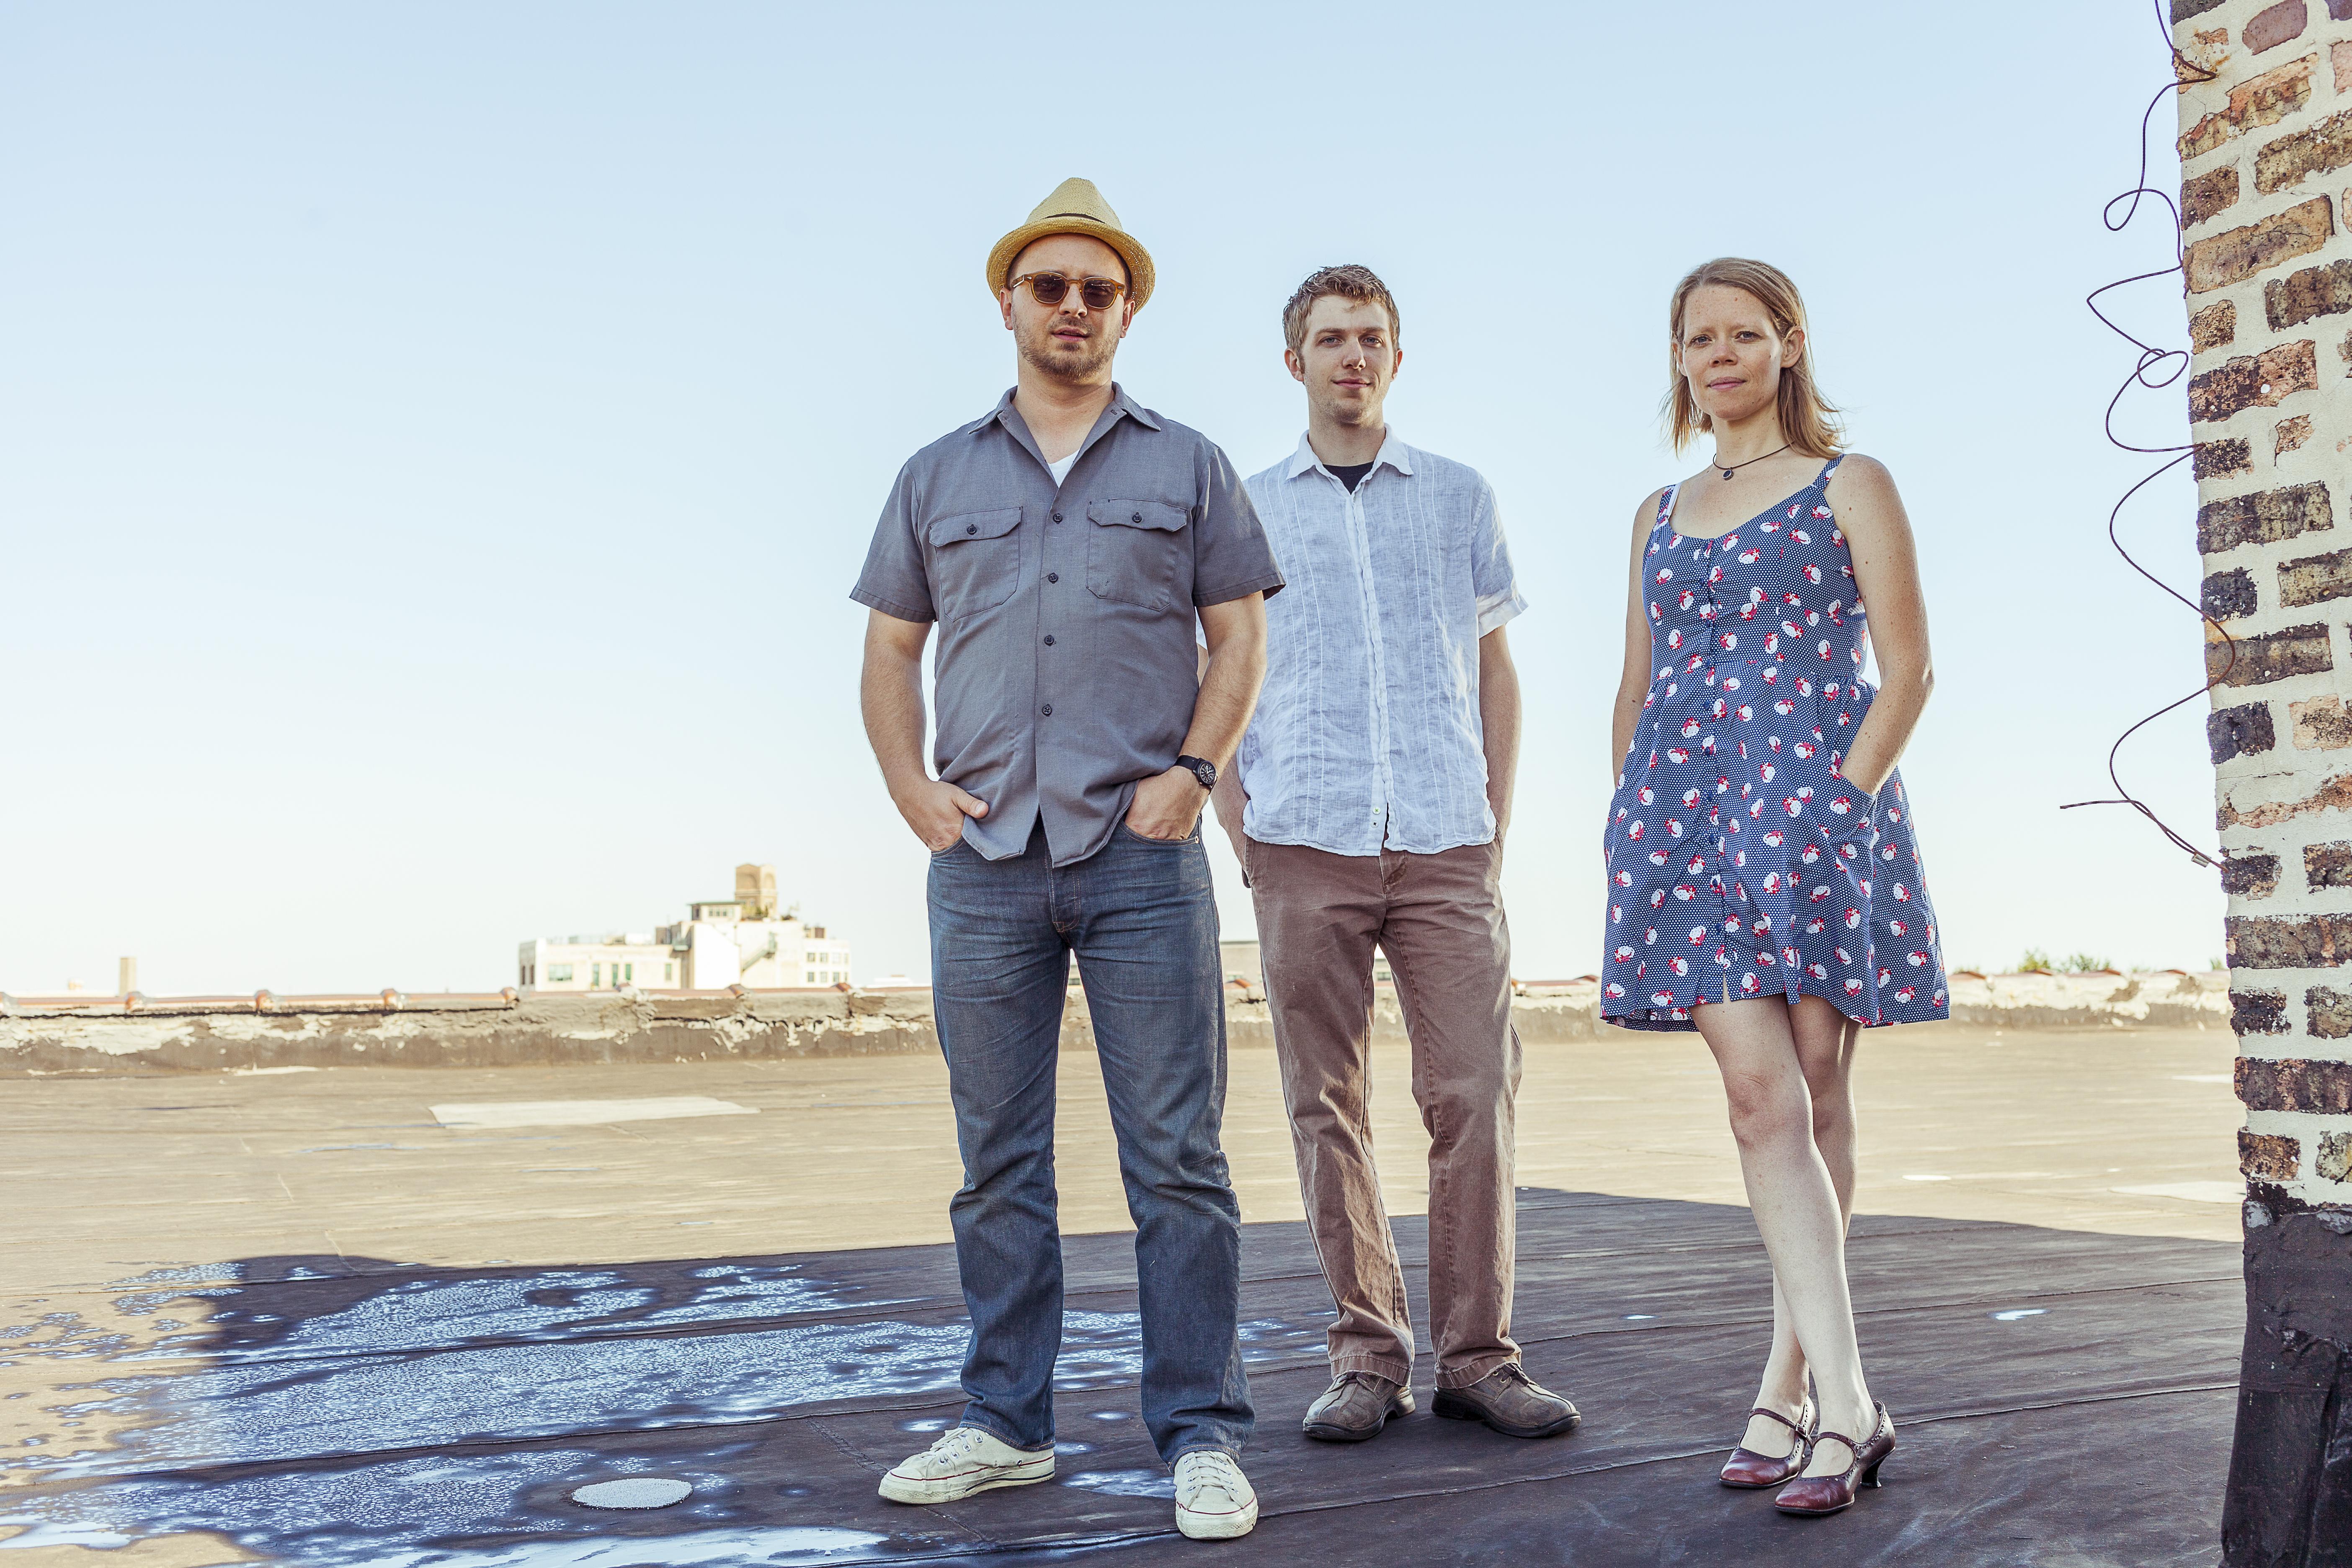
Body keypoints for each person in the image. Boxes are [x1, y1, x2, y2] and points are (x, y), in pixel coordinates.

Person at [852, 177, 1282, 1542]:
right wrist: (911, 789)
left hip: (1140, 856)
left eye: (1100, 291)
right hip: (982, 862)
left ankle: (1201, 1434)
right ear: (1009, 304)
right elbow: (887, 652)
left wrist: (1195, 775)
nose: (1075, 308)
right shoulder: (936, 475)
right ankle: (1003, 1422)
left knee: (1178, 1158)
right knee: (998, 1162)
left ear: (1128, 311)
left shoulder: (1189, 464)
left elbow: (1240, 636)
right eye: (1051, 287)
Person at [1211, 264, 1580, 1446]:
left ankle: (1481, 1357)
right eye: (1330, 340)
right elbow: (1216, 676)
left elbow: (1494, 670)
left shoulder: (1460, 498)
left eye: (1371, 338)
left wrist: (1492, 824)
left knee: (1474, 1093)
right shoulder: (1248, 508)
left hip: (1444, 842)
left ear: (1397, 358)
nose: (1352, 358)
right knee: (1327, 1105)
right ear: (1295, 362)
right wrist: (1245, 830)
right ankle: (1368, 1358)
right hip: (1303, 837)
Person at [1602, 257, 1947, 1516]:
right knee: (1758, 1102)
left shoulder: (1853, 482)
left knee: (1814, 1089)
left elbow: (1907, 671)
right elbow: (1636, 686)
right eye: (1699, 340)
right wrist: (1625, 817)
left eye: (1745, 335)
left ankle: (1791, 1387)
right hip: (1685, 821)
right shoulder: (1655, 510)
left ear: (1790, 345)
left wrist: (1836, 807)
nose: (1721, 356)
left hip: (1813, 808)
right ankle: (1847, 1406)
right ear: (1681, 359)